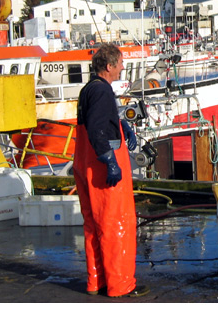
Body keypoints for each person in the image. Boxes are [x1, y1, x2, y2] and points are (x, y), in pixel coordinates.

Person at [74, 43, 149, 298]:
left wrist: (121, 124)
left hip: (84, 162)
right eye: (119, 64)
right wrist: (110, 161)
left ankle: (97, 281)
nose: (122, 68)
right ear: (109, 66)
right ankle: (121, 285)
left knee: (93, 225)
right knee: (116, 224)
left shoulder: (89, 89)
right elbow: (96, 128)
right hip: (101, 165)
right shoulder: (102, 92)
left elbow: (96, 120)